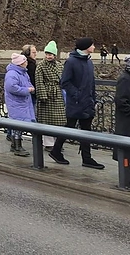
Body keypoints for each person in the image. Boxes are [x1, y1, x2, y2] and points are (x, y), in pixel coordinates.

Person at [49, 37, 105, 169]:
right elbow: (65, 82)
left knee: (86, 131)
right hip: (76, 102)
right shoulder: (72, 61)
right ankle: (56, 151)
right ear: (86, 47)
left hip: (88, 102)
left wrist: (93, 98)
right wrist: (77, 95)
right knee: (69, 127)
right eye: (92, 45)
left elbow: (91, 84)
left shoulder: (89, 62)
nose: (94, 47)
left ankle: (86, 158)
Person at [34, 41, 64, 151]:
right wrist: (42, 95)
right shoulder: (41, 66)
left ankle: (57, 143)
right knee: (47, 120)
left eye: (50, 54)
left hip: (58, 93)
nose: (48, 56)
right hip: (47, 94)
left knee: (58, 120)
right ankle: (48, 143)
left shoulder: (59, 65)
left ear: (54, 55)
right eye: (47, 54)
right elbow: (39, 81)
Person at [4, 53, 35, 156]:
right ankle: (17, 146)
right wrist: (26, 90)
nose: (26, 63)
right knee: (18, 125)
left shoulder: (23, 73)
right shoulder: (12, 74)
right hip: (16, 103)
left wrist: (30, 88)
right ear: (20, 64)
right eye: (25, 61)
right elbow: (11, 87)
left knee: (19, 124)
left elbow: (28, 82)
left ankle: (15, 145)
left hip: (22, 102)